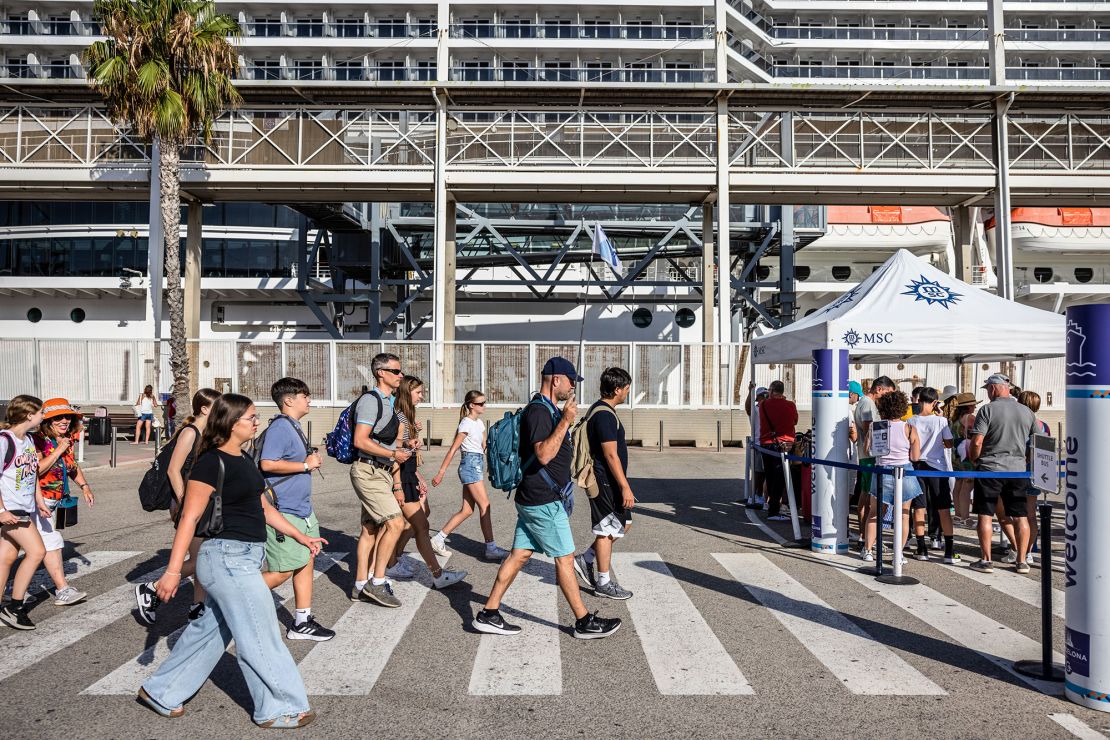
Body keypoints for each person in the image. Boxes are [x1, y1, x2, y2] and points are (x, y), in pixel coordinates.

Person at [138, 394, 324, 727]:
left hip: (246, 557)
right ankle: (280, 707)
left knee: (209, 631)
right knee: (260, 630)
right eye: (251, 418)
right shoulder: (210, 462)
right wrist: (172, 571)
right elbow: (189, 519)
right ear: (231, 422)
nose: (257, 422)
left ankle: (161, 691)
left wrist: (300, 536)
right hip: (226, 558)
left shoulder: (242, 458)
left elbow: (264, 508)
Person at [473, 357, 621, 639]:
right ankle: (583, 621)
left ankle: (488, 613)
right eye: (570, 382)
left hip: (536, 498)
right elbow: (543, 454)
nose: (572, 388)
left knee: (519, 556)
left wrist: (564, 419)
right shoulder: (539, 412)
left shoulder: (547, 409)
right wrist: (565, 420)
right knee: (565, 559)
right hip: (543, 501)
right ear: (556, 380)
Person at [134, 388, 221, 625]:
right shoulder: (190, 432)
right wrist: (184, 502)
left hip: (199, 502)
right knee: (199, 559)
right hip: (186, 503)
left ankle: (198, 606)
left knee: (200, 555)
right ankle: (151, 589)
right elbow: (173, 470)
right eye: (217, 407)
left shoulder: (207, 433)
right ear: (204, 409)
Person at [259, 378, 335, 642]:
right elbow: (267, 463)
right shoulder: (281, 427)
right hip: (283, 509)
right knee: (281, 571)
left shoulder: (293, 426)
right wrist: (305, 466)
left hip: (302, 509)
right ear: (289, 400)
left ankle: (302, 621)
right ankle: (223, 602)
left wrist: (307, 462)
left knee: (306, 559)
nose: (309, 399)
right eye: (305, 395)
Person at [384, 375, 467, 589]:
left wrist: (414, 437)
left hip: (408, 473)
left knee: (417, 521)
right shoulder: (400, 415)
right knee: (420, 525)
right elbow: (395, 449)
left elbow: (404, 446)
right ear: (407, 392)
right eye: (419, 392)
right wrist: (399, 484)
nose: (422, 396)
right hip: (401, 475)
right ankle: (436, 575)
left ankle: (395, 559)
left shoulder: (406, 415)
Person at [349, 352, 408, 607]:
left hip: (380, 471)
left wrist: (402, 446)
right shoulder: (371, 401)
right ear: (381, 373)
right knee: (396, 523)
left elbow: (378, 438)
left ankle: (360, 584)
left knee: (370, 529)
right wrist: (393, 453)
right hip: (369, 471)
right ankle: (377, 581)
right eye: (396, 371)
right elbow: (360, 440)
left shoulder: (388, 400)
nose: (400, 375)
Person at [967, 374, 1040, 574]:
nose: (988, 393)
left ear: (993, 388)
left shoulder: (987, 410)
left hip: (990, 469)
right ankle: (1022, 560)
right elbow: (1040, 441)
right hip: (1017, 470)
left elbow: (977, 442)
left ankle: (986, 560)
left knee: (985, 514)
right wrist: (1027, 458)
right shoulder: (1026, 411)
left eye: (988, 389)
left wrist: (974, 458)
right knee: (1020, 516)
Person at [572, 367, 634, 600]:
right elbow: (610, 455)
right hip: (605, 481)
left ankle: (586, 559)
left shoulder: (603, 410)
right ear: (617, 389)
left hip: (610, 482)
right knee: (606, 530)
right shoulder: (605, 415)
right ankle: (603, 583)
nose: (627, 392)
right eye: (626, 388)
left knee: (624, 523)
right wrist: (625, 485)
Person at [429, 389, 509, 561]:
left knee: (466, 510)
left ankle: (438, 539)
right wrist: (440, 473)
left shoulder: (479, 423)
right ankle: (491, 548)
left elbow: (484, 447)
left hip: (477, 463)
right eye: (481, 403)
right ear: (472, 405)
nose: (484, 406)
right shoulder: (466, 423)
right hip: (470, 465)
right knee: (485, 505)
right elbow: (453, 449)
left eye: (484, 402)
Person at [31, 398, 95, 605]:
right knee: (52, 543)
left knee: (15, 547)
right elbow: (37, 470)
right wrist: (58, 449)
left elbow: (72, 467)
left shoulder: (67, 439)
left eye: (67, 416)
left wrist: (84, 487)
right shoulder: (37, 441)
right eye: (58, 417)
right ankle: (62, 590)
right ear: (47, 421)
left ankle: (8, 591)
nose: (65, 420)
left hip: (54, 501)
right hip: (37, 501)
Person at [0, 396, 50, 630]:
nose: (43, 416)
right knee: (37, 551)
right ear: (29, 415)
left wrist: (39, 501)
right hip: (11, 508)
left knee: (7, 557)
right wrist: (1, 510)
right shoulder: (4, 441)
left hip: (24, 505)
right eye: (41, 412)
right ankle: (14, 607)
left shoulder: (28, 440)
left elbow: (32, 475)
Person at [861, 390, 925, 564]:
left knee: (875, 514)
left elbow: (868, 450)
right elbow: (915, 457)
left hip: (882, 471)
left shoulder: (876, 426)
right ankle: (898, 553)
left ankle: (867, 550)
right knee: (904, 515)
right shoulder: (909, 428)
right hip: (904, 472)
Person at [908, 388, 957, 564]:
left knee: (919, 508)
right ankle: (949, 551)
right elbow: (949, 443)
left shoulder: (911, 420)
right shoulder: (941, 421)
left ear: (919, 400)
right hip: (937, 467)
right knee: (943, 509)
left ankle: (922, 548)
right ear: (935, 402)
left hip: (917, 466)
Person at [1017, 389, 1051, 563]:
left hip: (1019, 471)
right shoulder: (1044, 425)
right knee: (1031, 513)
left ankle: (1019, 550)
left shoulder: (1018, 423)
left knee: (1016, 513)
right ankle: (1029, 550)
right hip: (1037, 472)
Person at [758, 380, 798, 522]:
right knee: (780, 478)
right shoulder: (790, 405)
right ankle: (774, 509)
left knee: (769, 476)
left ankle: (771, 505)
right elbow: (795, 421)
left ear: (772, 390)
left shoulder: (763, 405)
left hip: (766, 443)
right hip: (784, 444)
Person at [947, 392, 979, 525]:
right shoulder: (970, 418)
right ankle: (966, 517)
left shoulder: (954, 420)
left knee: (958, 484)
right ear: (970, 406)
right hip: (967, 454)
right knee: (968, 485)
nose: (975, 407)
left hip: (956, 454)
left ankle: (958, 515)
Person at [744, 384, 769, 507]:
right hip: (759, 444)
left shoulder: (770, 408)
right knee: (758, 472)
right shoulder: (755, 409)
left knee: (765, 473)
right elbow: (747, 408)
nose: (765, 398)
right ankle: (755, 495)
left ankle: (761, 496)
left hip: (768, 444)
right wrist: (750, 391)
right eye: (762, 396)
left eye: (767, 395)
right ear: (757, 398)